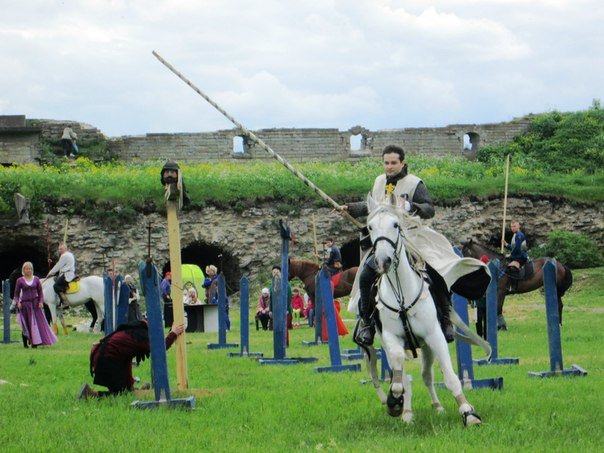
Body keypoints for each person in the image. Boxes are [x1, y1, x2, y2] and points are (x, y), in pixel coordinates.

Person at [341, 145, 490, 346]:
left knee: (435, 272)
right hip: (386, 240)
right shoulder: (378, 182)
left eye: (394, 162)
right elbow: (371, 206)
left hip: (412, 238)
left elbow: (429, 209)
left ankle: (445, 320)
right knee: (366, 276)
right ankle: (366, 324)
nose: (390, 167)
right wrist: (349, 209)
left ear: (402, 162)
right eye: (386, 162)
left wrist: (410, 206)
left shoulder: (414, 183)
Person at [77, 321, 185, 398]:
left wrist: (130, 384)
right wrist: (173, 333)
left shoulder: (132, 334)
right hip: (106, 360)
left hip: (104, 357)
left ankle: (134, 390)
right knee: (122, 394)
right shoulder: (140, 337)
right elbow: (159, 348)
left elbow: (126, 362)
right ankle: (90, 394)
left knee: (126, 390)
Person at [14, 262, 58, 348]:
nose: (28, 270)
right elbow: (16, 294)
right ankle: (25, 344)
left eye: (30, 269)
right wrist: (18, 302)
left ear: (32, 270)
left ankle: (35, 344)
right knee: (25, 325)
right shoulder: (20, 280)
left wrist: (41, 302)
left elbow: (40, 293)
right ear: (24, 270)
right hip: (25, 305)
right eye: (26, 269)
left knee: (36, 325)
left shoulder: (37, 279)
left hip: (35, 305)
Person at [46, 242, 76, 309]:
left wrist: (50, 273)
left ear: (65, 248)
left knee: (56, 286)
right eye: (59, 249)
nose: (60, 250)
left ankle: (65, 302)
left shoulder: (64, 255)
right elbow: (61, 264)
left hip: (67, 274)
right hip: (68, 272)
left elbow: (58, 266)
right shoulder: (69, 254)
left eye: (61, 249)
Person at [505, 219, 529, 291]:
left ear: (518, 226)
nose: (513, 228)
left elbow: (517, 248)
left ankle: (514, 287)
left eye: (514, 226)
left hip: (521, 256)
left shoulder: (519, 235)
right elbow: (513, 247)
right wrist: (506, 244)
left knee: (512, 268)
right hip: (516, 256)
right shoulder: (515, 235)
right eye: (511, 226)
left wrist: (510, 255)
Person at [269, 265, 293, 332]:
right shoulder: (272, 285)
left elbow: (288, 297)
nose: (275, 274)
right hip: (275, 309)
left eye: (277, 272)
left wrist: (287, 309)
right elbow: (271, 298)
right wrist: (271, 310)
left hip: (285, 309)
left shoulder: (286, 284)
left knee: (284, 327)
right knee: (273, 328)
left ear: (280, 273)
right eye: (273, 272)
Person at [474, 255, 490, 340]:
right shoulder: (477, 273)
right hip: (478, 300)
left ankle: (486, 337)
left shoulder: (489, 274)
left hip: (486, 300)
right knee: (478, 319)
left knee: (486, 319)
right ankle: (479, 336)